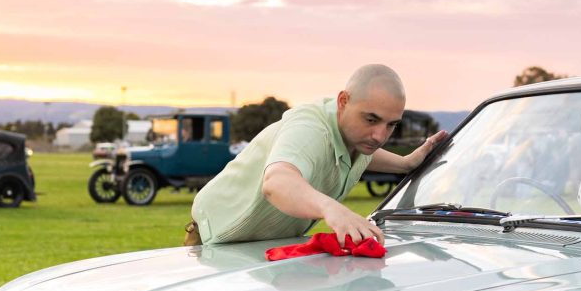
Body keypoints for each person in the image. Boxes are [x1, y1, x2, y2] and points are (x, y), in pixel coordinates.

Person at [184, 64, 446, 247]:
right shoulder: (310, 128)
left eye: (391, 125)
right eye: (371, 119)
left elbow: (365, 153)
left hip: (260, 247)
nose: (379, 136)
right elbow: (277, 182)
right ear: (343, 101)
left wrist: (405, 163)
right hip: (215, 240)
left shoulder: (356, 137)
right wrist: (332, 209)